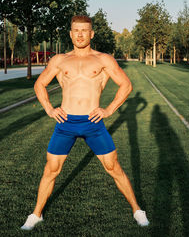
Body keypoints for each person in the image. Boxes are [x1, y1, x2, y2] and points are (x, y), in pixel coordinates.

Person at [21, 15, 149, 230]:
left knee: (113, 167)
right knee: (51, 170)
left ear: (91, 33)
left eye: (84, 30)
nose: (80, 34)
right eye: (76, 30)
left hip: (93, 123)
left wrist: (108, 110)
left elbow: (125, 85)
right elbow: (39, 85)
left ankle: (137, 210)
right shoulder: (59, 60)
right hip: (66, 123)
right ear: (70, 34)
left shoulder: (103, 59)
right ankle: (36, 214)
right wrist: (50, 109)